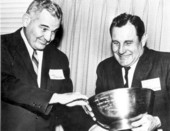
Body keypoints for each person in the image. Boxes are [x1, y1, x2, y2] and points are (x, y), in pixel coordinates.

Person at [1, 0, 91, 131]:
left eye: (54, 31)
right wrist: (54, 98)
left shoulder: (60, 59)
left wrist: (91, 127)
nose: (49, 37)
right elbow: (5, 84)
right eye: (44, 29)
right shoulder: (3, 45)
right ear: (26, 20)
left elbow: (67, 104)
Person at [90, 13, 170, 131]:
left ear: (143, 40)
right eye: (116, 43)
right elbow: (101, 113)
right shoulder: (104, 68)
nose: (121, 50)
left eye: (128, 43)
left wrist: (158, 121)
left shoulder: (166, 63)